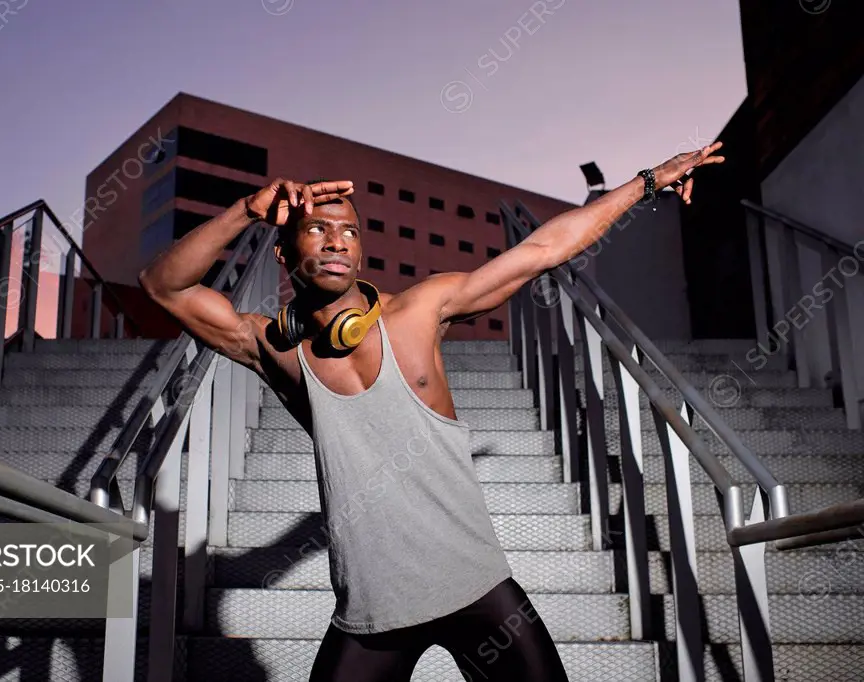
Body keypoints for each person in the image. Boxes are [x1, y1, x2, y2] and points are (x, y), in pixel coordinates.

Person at [138, 142, 724, 681]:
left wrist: (647, 182)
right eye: (317, 229)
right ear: (286, 252)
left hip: (480, 593)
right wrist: (246, 208)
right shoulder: (277, 349)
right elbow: (164, 286)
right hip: (372, 613)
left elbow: (542, 251)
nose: (338, 240)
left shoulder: (418, 312)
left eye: (348, 231)